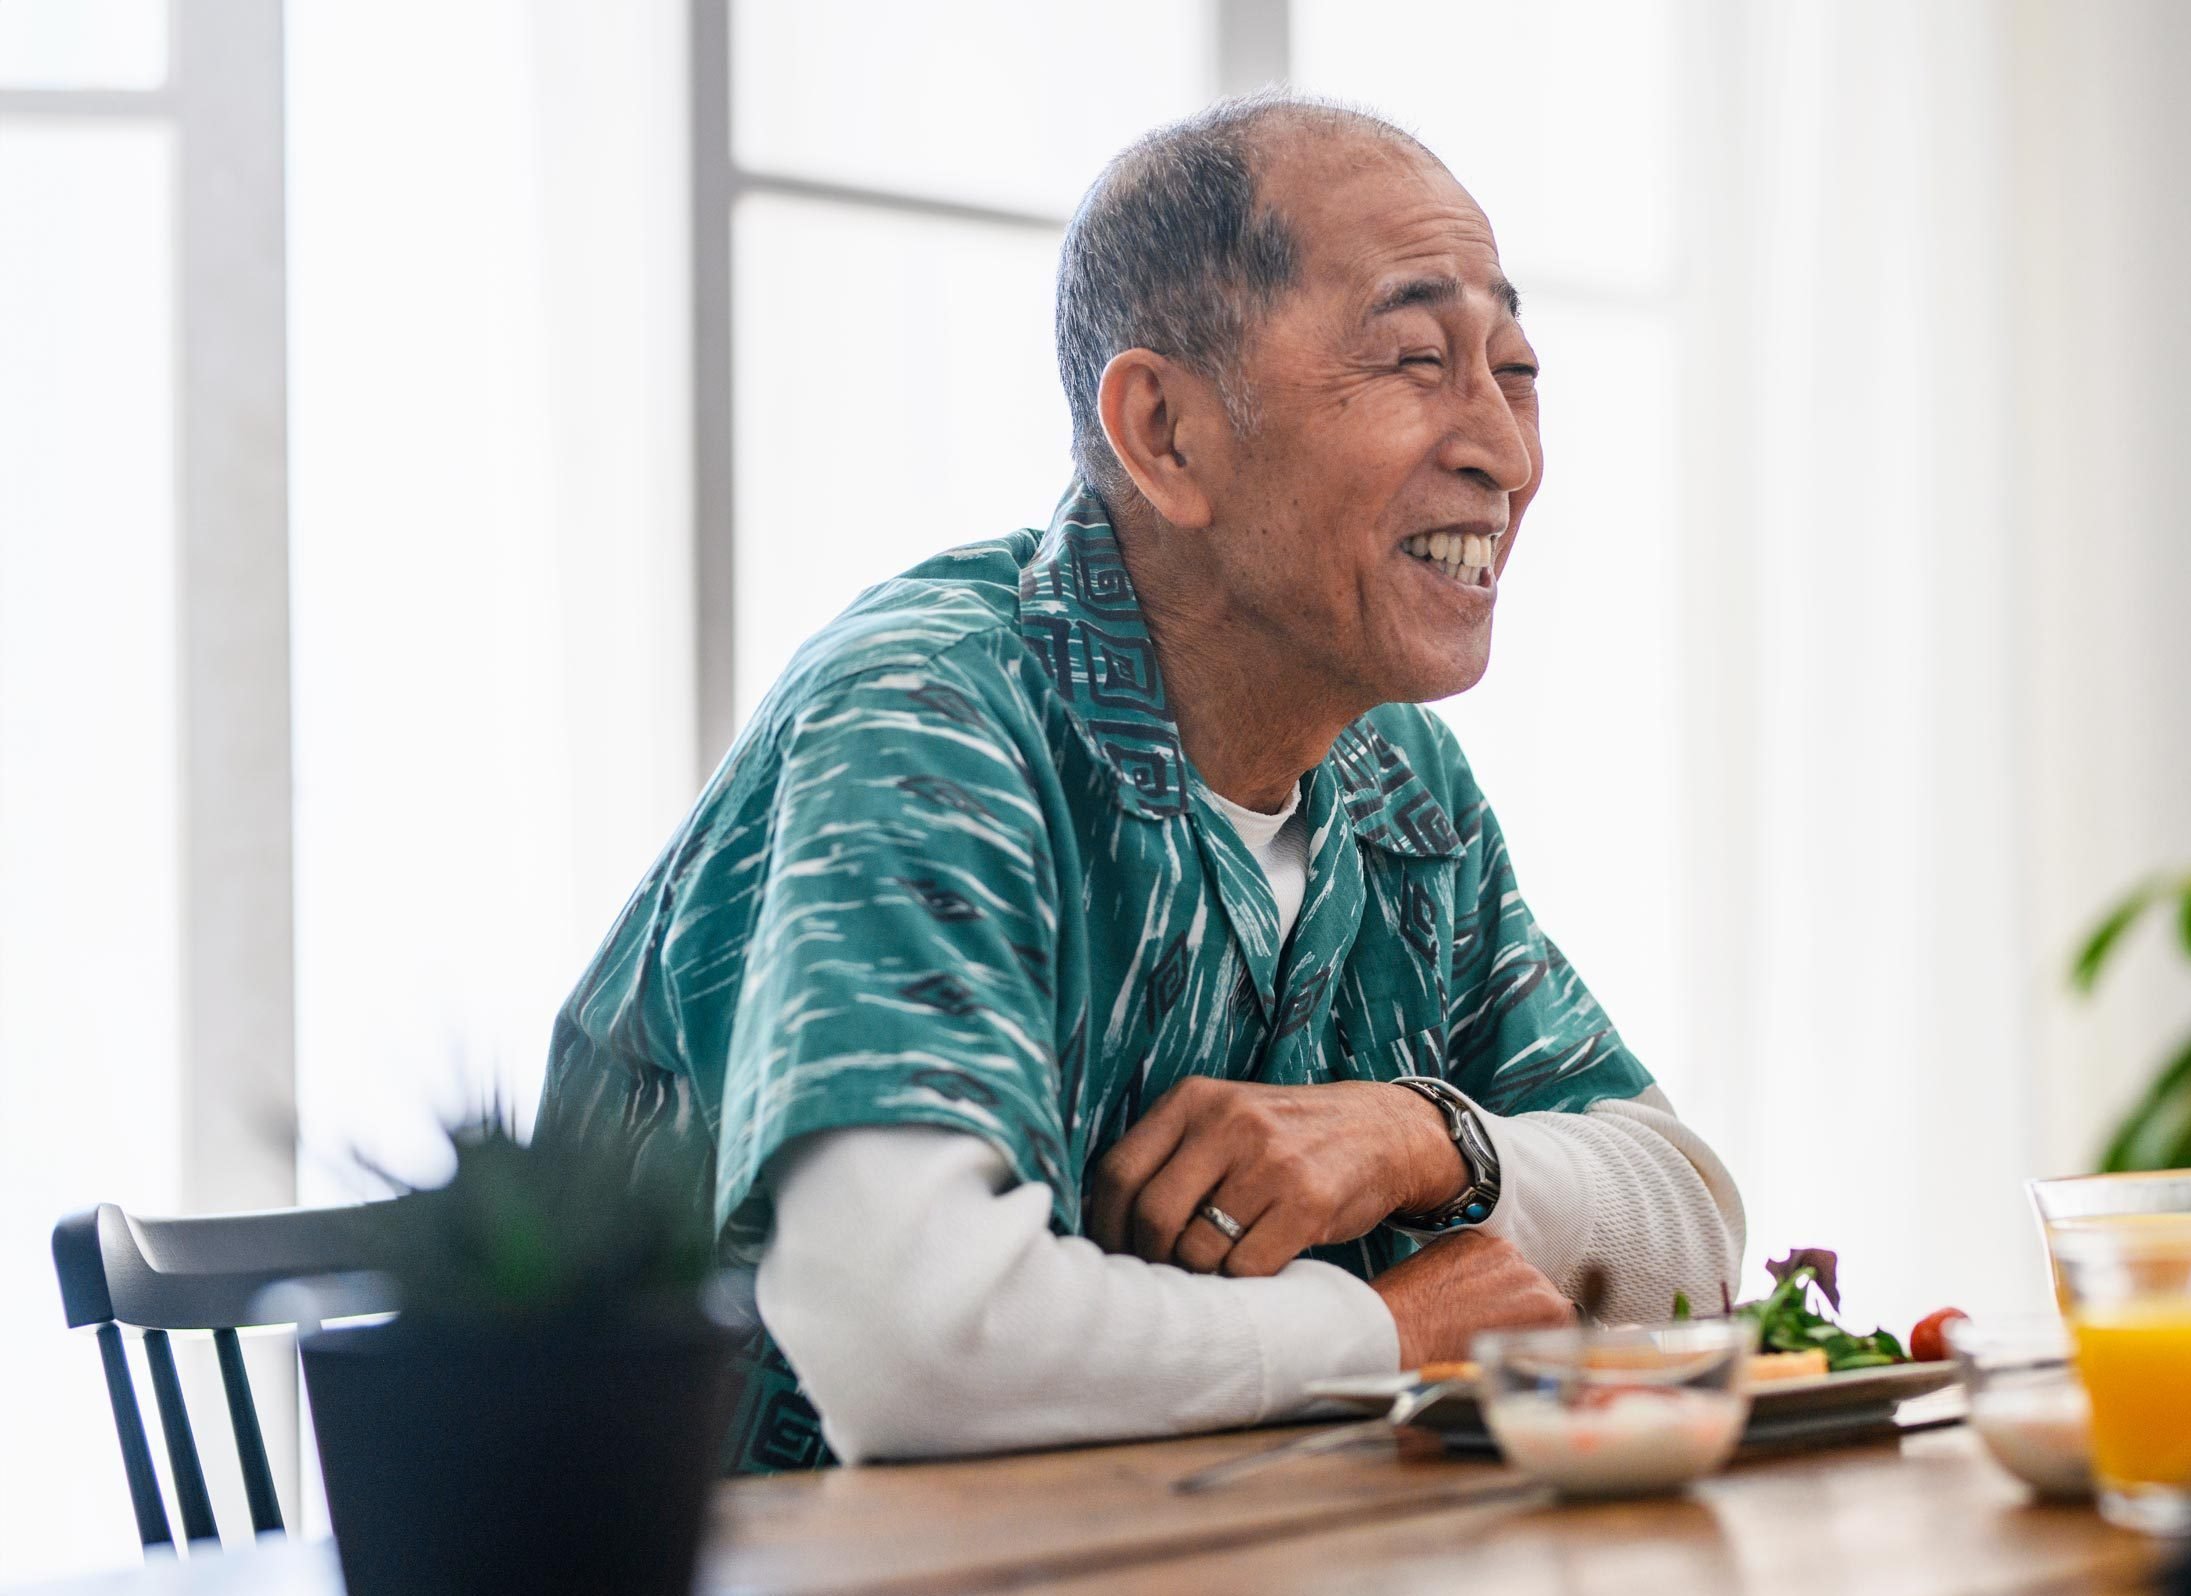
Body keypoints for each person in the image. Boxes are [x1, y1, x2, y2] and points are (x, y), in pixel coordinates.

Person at [539, 93, 1744, 1473]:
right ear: (1165, 432)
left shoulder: (1398, 778)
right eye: (1416, 358)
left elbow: (1689, 1227)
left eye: (1516, 369)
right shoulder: (932, 717)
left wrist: (1428, 1141)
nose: (1507, 453)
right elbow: (913, 1343)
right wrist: (1385, 1334)